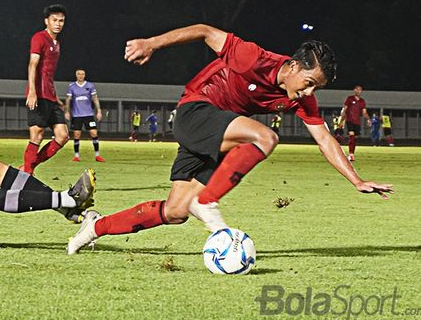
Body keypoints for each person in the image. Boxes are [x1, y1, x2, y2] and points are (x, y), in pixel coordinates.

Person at [67, 23, 393, 254]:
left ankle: (95, 227)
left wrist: (356, 179)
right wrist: (152, 43)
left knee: (176, 211)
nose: (308, 92)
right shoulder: (254, 57)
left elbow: (324, 139)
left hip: (217, 132)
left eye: (315, 88)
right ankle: (207, 201)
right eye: (307, 82)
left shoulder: (299, 98)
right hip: (196, 111)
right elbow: (205, 31)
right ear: (292, 66)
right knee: (265, 137)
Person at [21, 5, 69, 175]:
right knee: (37, 135)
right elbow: (33, 64)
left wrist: (56, 98)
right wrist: (32, 91)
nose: (58, 24)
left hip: (50, 96)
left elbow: (48, 73)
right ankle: (27, 174)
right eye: (54, 20)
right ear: (46, 21)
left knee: (63, 136)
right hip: (38, 95)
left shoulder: (56, 43)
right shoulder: (39, 38)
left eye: (61, 20)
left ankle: (29, 167)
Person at [65, 69, 105, 162]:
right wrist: (66, 111)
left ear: (85, 75)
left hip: (89, 114)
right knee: (76, 135)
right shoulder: (72, 86)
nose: (80, 75)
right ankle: (76, 156)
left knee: (94, 133)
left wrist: (99, 111)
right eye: (79, 74)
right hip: (77, 115)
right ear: (76, 75)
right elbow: (68, 99)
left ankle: (97, 155)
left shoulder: (90, 85)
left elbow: (95, 98)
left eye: (82, 74)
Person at [340, 85, 371, 162]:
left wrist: (368, 119)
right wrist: (342, 121)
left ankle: (352, 154)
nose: (359, 91)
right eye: (357, 90)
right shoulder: (350, 99)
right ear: (354, 90)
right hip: (350, 120)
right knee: (351, 135)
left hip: (357, 122)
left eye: (360, 90)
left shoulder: (362, 101)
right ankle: (351, 154)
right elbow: (345, 110)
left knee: (355, 139)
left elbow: (364, 112)